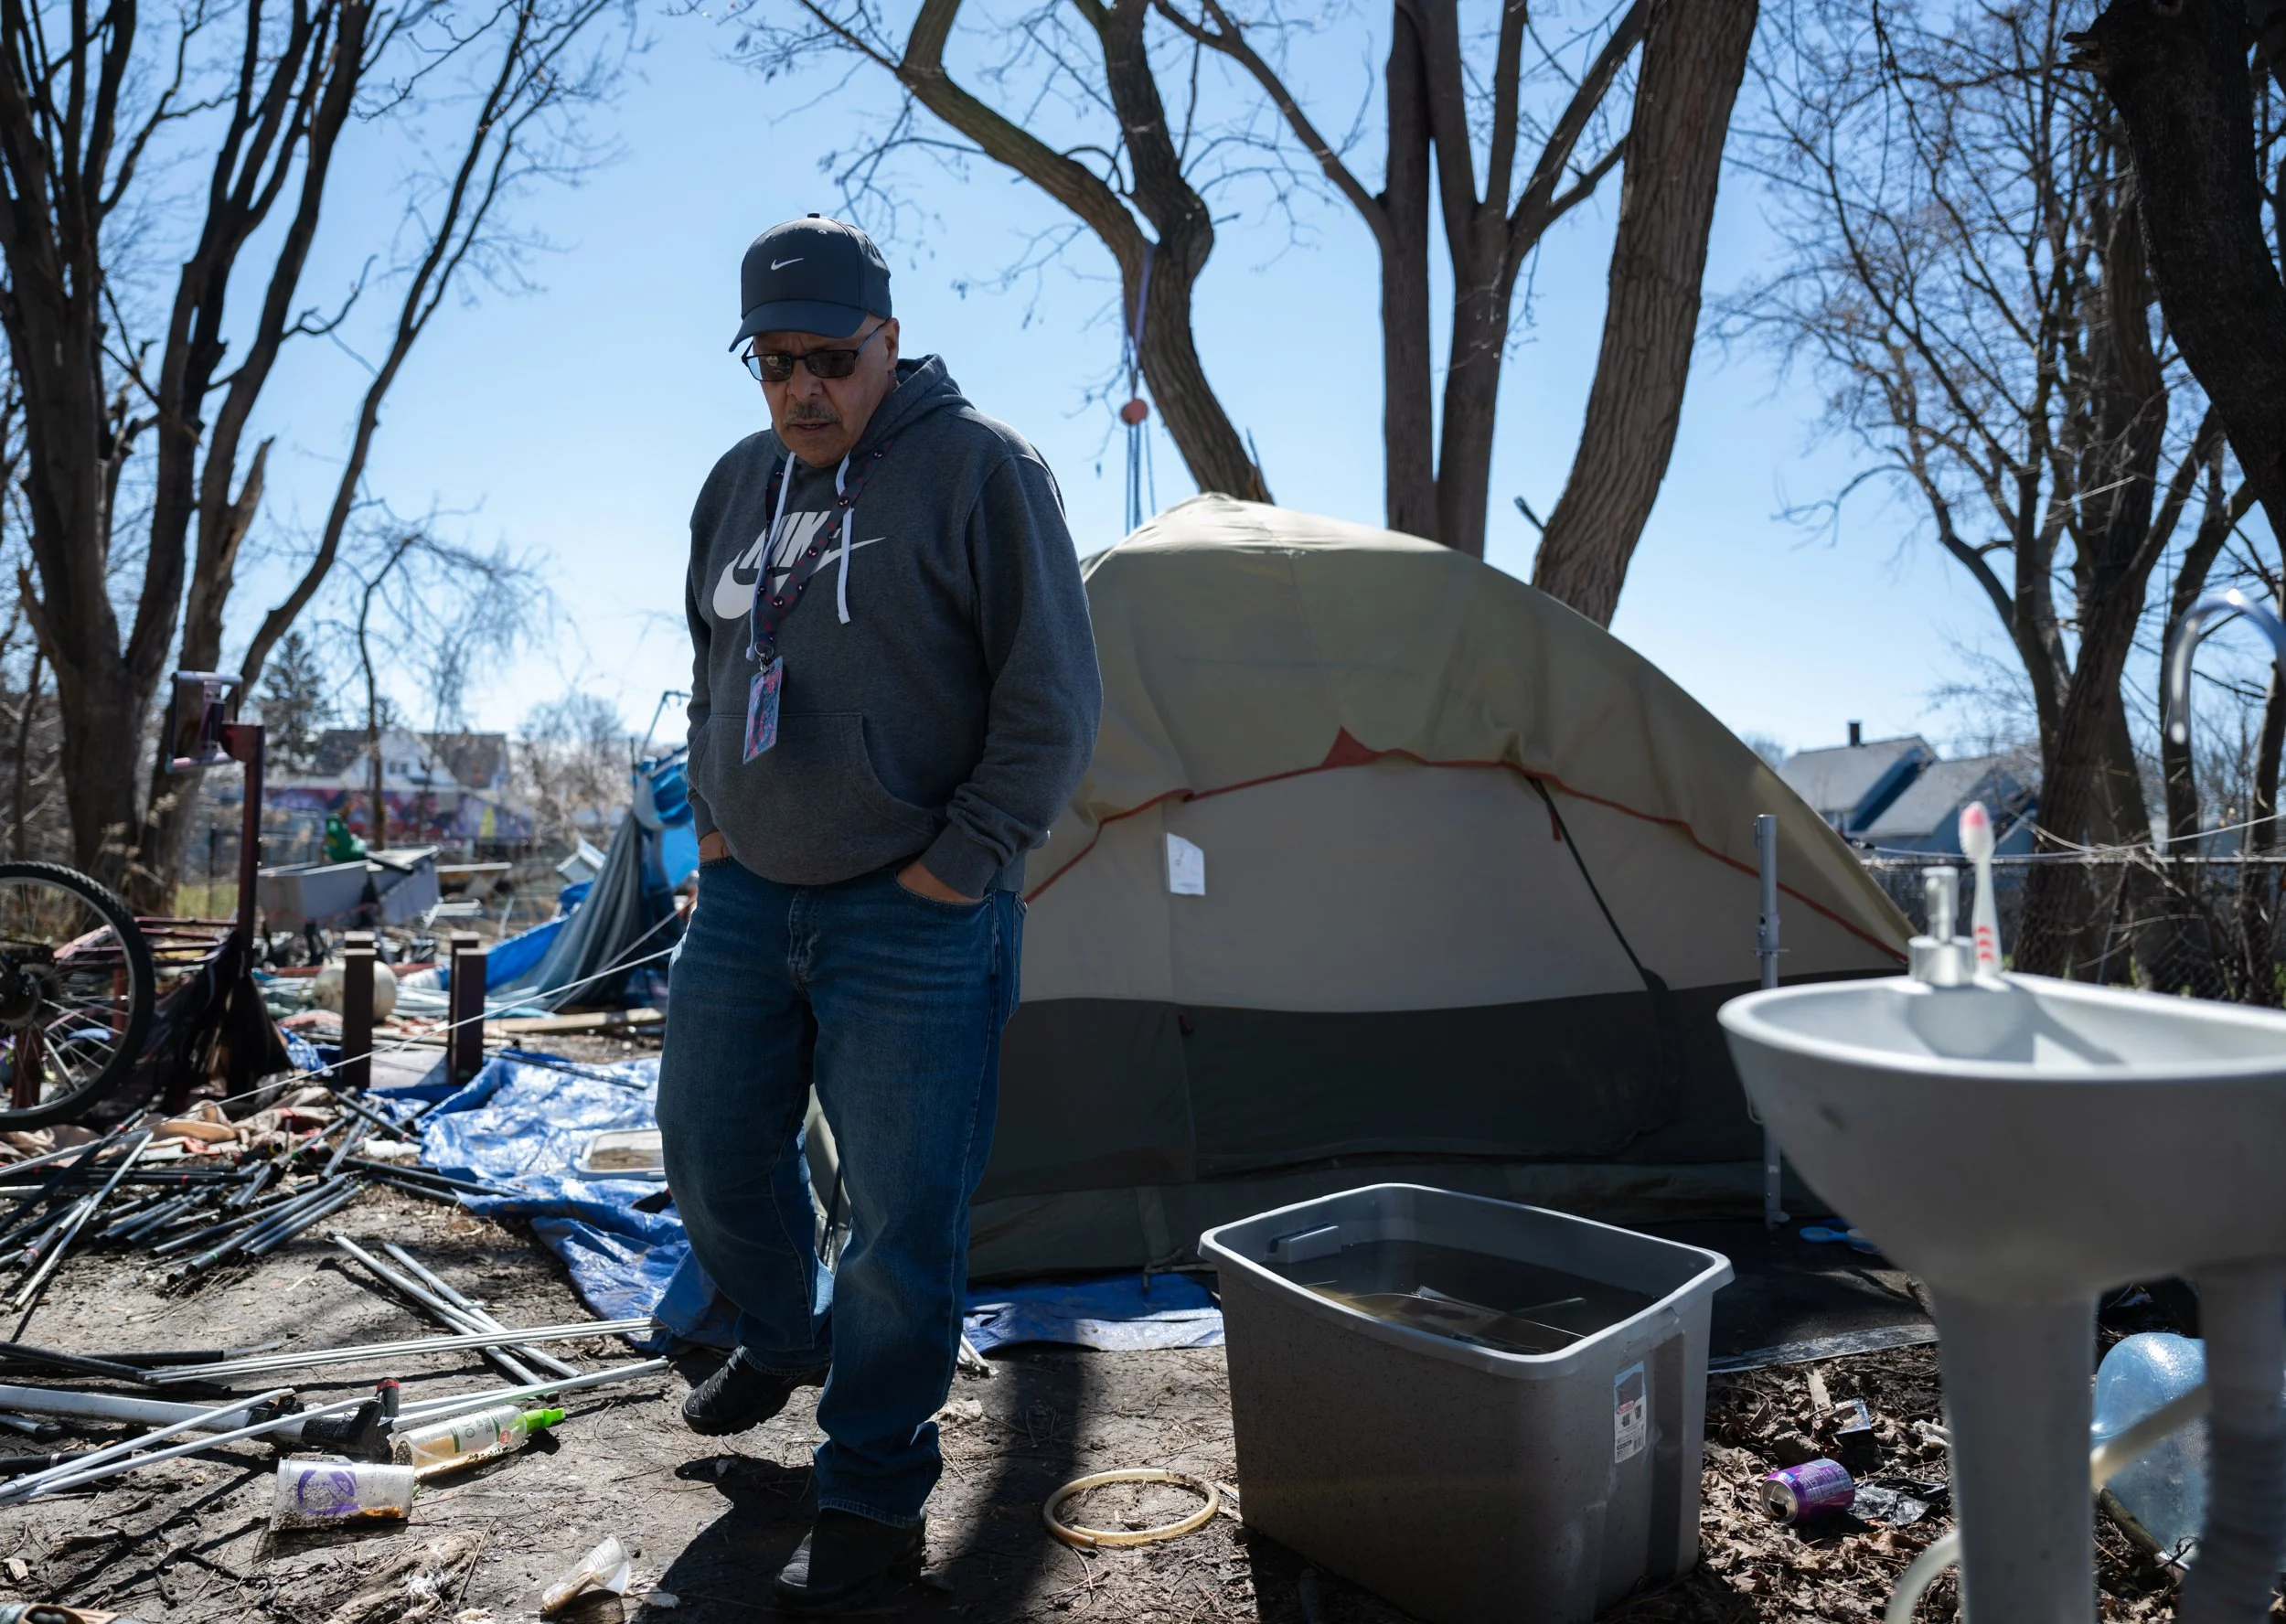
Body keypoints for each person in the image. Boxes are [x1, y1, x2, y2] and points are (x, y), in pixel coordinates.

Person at [658, 214, 1102, 1613]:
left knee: (903, 1220)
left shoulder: (983, 470)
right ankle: (780, 1334)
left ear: (888, 340)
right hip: (746, 899)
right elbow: (711, 663)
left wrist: (960, 863)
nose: (803, 390)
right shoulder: (737, 483)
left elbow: (1054, 702)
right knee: (707, 1139)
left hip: (913, 913)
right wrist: (713, 815)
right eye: (774, 362)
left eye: (830, 360)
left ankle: (869, 1476)